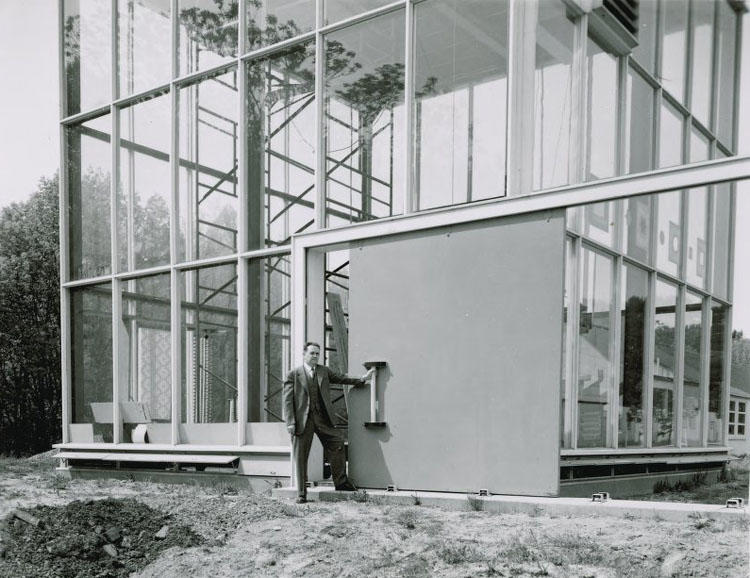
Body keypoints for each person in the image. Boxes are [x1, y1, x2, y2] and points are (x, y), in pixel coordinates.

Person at [283, 341, 374, 503]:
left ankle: (341, 483)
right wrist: (290, 422)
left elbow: (341, 378)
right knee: (301, 456)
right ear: (304, 354)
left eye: (317, 354)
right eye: (312, 353)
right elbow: (287, 401)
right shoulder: (294, 374)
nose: (315, 356)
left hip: (323, 419)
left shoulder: (323, 371)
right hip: (303, 421)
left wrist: (362, 379)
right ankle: (302, 494)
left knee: (337, 442)